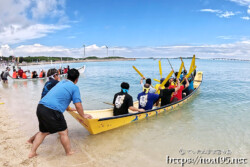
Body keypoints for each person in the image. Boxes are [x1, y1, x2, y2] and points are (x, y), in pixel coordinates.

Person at [28, 69, 92, 158]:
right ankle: (69, 152)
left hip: (41, 107)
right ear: (77, 79)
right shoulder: (74, 87)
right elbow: (78, 105)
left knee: (43, 132)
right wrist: (83, 115)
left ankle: (32, 152)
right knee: (63, 132)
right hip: (52, 110)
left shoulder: (61, 83)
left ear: (66, 76)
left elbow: (59, 98)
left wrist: (68, 108)